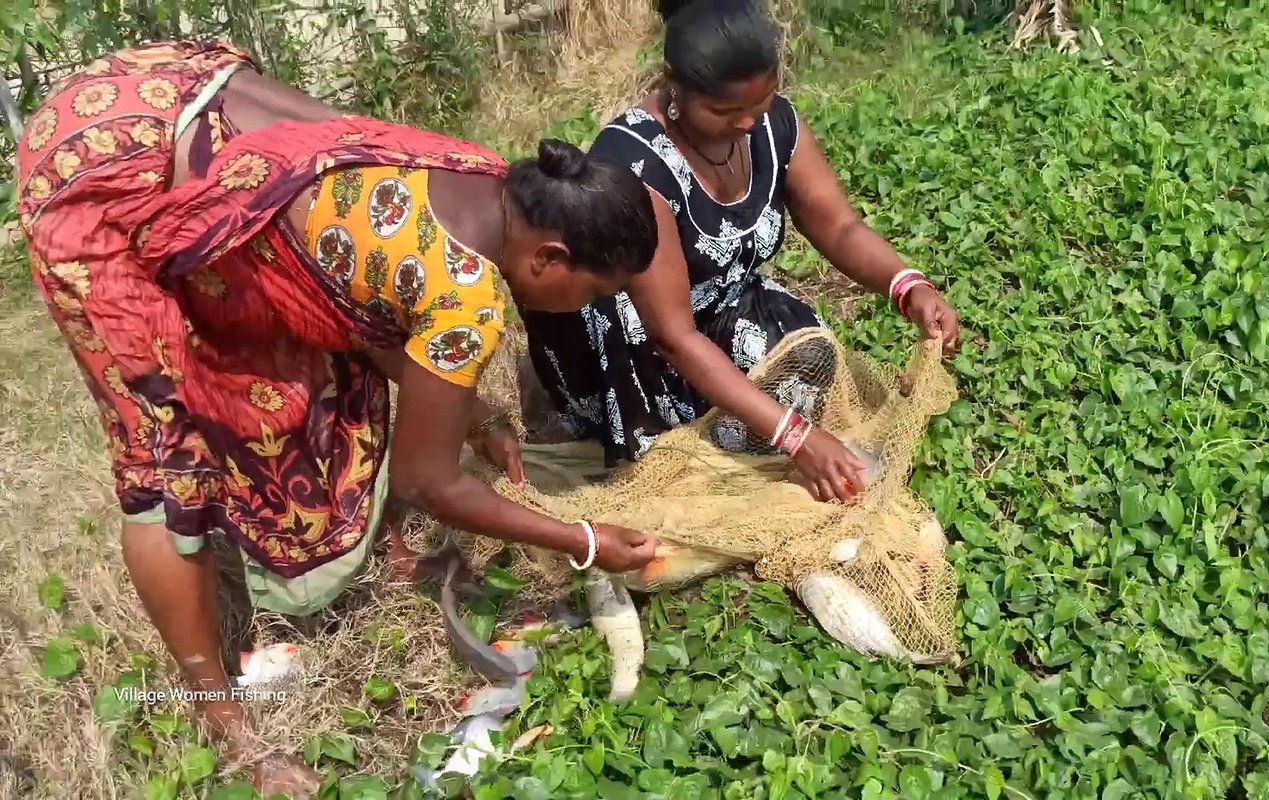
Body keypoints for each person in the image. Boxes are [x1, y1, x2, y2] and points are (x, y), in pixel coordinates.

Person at [16, 40, 659, 797]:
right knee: (163, 458)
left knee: (332, 363)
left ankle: (382, 549)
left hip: (162, 88)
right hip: (99, 172)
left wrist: (476, 412)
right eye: (591, 293)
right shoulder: (469, 295)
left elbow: (359, 309)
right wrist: (583, 539)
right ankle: (223, 722)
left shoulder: (482, 175)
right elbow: (427, 481)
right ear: (548, 257)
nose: (583, 309)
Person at [521, 0, 963, 505]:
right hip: (640, 339)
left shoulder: (773, 126)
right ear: (675, 88)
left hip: (724, 304)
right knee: (691, 470)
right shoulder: (636, 164)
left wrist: (909, 285)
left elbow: (840, 227)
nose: (749, 123)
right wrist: (794, 436)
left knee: (806, 370)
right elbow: (672, 335)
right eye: (725, 112)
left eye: (762, 103)